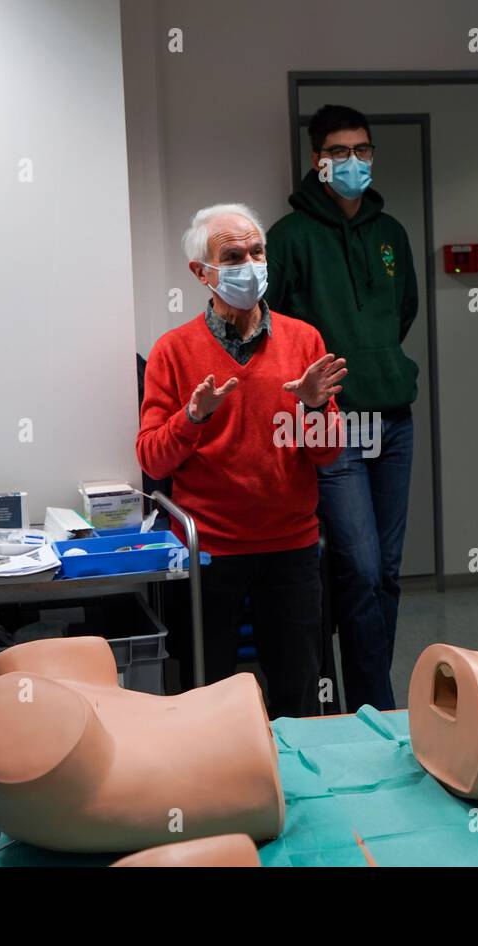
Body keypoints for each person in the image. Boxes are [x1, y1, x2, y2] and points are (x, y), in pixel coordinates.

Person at [137, 203, 347, 719]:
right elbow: (152, 459)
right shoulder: (174, 351)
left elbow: (328, 451)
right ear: (201, 273)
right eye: (233, 256)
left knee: (298, 694)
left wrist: (315, 407)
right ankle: (212, 791)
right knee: (206, 697)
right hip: (209, 551)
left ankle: (297, 792)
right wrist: (192, 417)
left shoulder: (304, 340)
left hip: (290, 545)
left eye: (257, 252)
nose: (250, 264)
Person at [267, 105, 419, 711]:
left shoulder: (392, 234)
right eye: (338, 152)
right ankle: (374, 709)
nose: (352, 161)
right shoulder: (289, 237)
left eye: (362, 150)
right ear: (317, 161)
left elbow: (402, 311)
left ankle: (369, 697)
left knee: (386, 572)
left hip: (394, 418)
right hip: (335, 424)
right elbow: (270, 328)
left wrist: (376, 357)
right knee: (356, 567)